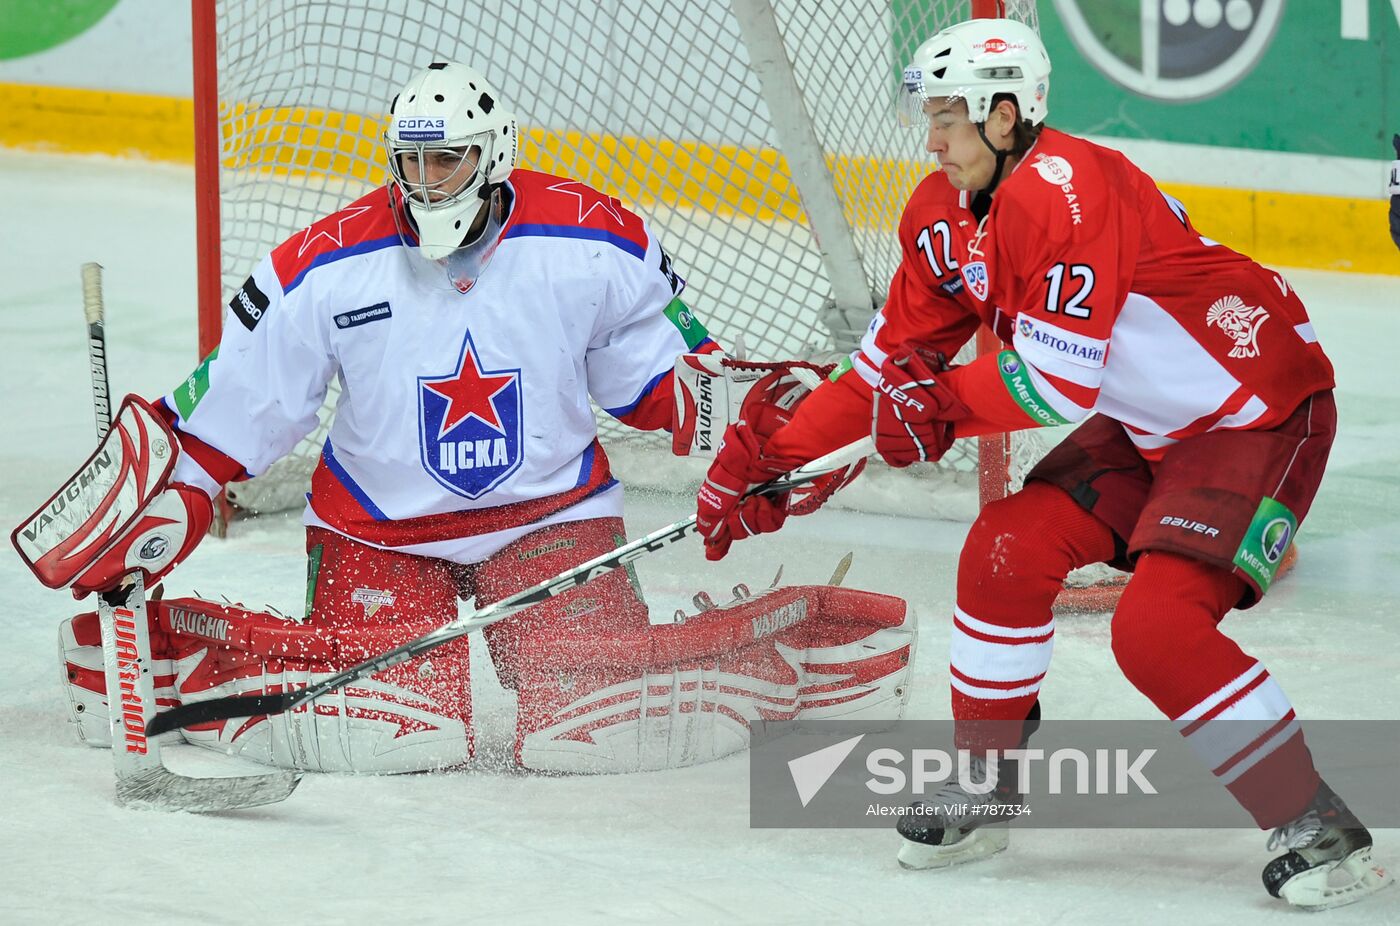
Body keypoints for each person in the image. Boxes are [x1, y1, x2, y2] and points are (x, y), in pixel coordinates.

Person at [16, 62, 913, 776]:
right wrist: (165, 501)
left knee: (592, 724)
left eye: (445, 161)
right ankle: (175, 658)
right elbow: (235, 412)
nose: (426, 181)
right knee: (397, 730)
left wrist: (776, 431)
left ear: (492, 157)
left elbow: (662, 385)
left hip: (550, 518)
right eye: (410, 162)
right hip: (379, 531)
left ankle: (793, 643)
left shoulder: (593, 241)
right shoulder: (324, 265)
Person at [695, 19, 1389, 910]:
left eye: (950, 116)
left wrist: (936, 409)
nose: (932, 138)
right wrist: (764, 460)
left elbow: (1059, 383)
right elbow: (878, 372)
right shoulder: (940, 217)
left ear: (1007, 114)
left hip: (1255, 417)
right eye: (929, 116)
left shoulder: (1066, 188)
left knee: (1155, 631)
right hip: (1148, 426)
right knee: (1001, 549)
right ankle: (986, 788)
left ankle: (1317, 821)